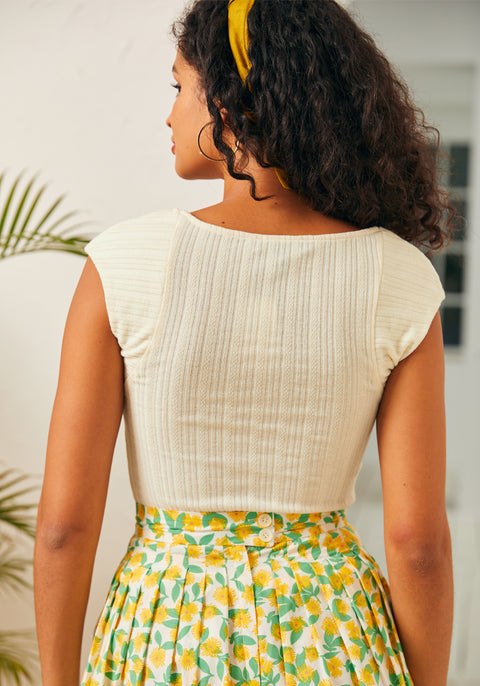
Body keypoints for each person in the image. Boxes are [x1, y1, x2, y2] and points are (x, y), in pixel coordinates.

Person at [34, 0, 455, 684]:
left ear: (229, 101)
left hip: (165, 635)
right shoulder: (399, 277)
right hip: (333, 634)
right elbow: (418, 545)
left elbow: (63, 530)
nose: (169, 115)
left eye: (179, 87)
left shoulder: (125, 263)